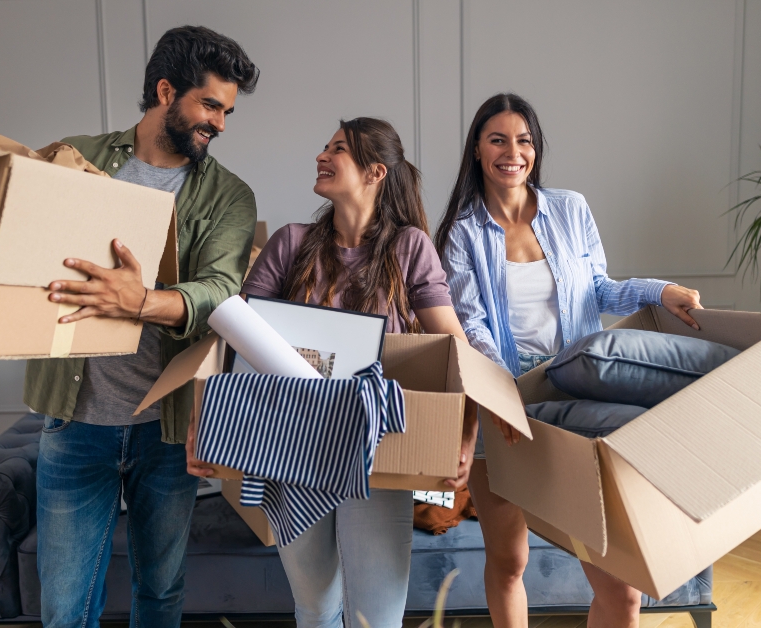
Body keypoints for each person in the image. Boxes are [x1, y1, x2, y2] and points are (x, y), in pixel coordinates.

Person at [188, 118, 476, 628]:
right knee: (317, 608)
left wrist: (466, 438)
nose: (322, 155)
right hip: (293, 448)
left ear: (375, 172)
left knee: (376, 618)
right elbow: (232, 340)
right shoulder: (291, 242)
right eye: (324, 146)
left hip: (373, 447)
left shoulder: (408, 247)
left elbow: (454, 350)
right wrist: (199, 425)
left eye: (338, 149)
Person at [434, 93, 703, 628]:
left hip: (577, 398)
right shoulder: (463, 234)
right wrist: (506, 394)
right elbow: (472, 327)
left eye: (524, 140)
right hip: (502, 404)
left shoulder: (570, 208)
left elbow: (600, 289)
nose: (513, 152)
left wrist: (659, 291)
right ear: (477, 150)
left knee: (621, 590)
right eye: (498, 139)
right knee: (509, 562)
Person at [26, 26, 259, 628]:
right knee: (65, 607)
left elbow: (222, 293)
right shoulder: (72, 160)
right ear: (165, 91)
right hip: (74, 417)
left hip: (167, 426)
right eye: (211, 105)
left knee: (161, 593)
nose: (221, 124)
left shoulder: (229, 196)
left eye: (228, 111)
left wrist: (142, 301)